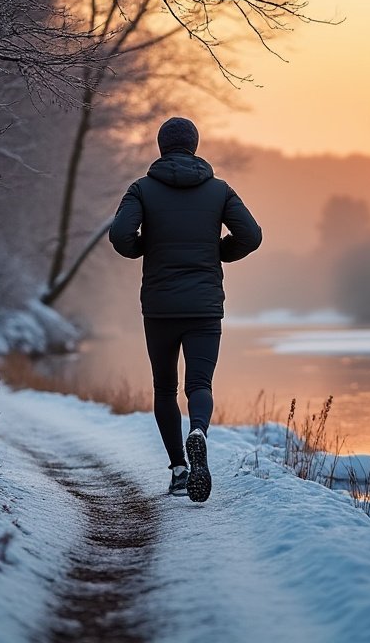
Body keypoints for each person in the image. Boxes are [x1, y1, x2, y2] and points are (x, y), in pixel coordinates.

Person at [109, 117, 262, 502]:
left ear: (161, 147)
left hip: (159, 307)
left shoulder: (141, 190)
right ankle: (198, 431)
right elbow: (252, 235)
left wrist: (146, 247)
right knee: (199, 384)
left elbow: (120, 236)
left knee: (165, 388)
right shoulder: (219, 190)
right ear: (194, 145)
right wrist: (219, 252)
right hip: (205, 306)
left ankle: (179, 469)